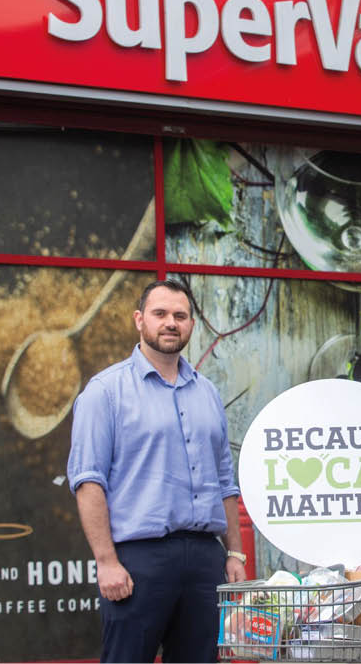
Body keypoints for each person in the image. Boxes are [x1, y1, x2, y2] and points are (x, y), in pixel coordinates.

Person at [67, 279, 247, 663]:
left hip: (204, 560)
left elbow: (224, 482)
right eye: (160, 314)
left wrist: (235, 553)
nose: (171, 323)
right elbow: (88, 482)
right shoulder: (105, 392)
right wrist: (106, 562)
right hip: (137, 560)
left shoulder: (207, 393)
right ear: (139, 320)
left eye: (180, 316)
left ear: (191, 326)